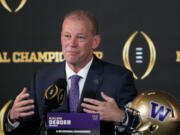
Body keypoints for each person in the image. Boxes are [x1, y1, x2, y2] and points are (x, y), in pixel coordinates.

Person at [4, 10, 137, 135]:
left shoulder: (118, 79)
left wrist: (121, 117)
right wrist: (13, 119)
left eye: (80, 37)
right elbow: (28, 130)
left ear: (95, 42)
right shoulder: (42, 78)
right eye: (67, 36)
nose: (72, 44)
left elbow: (140, 129)